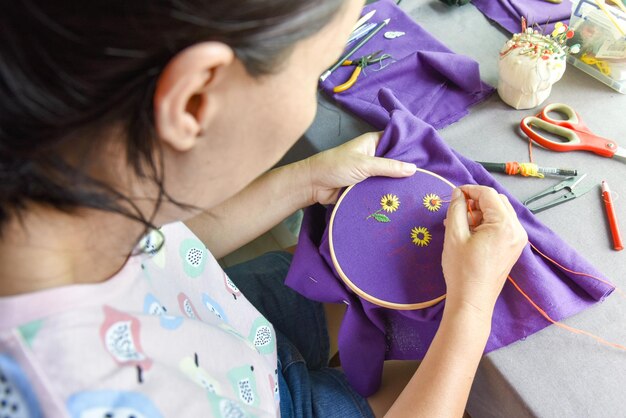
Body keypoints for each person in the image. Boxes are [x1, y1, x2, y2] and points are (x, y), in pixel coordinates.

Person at [0, 0, 527, 416]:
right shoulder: (65, 394)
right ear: (194, 100)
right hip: (255, 391)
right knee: (481, 382)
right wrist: (471, 309)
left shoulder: (68, 186)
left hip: (219, 320)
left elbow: (168, 246)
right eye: (315, 70)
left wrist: (306, 179)